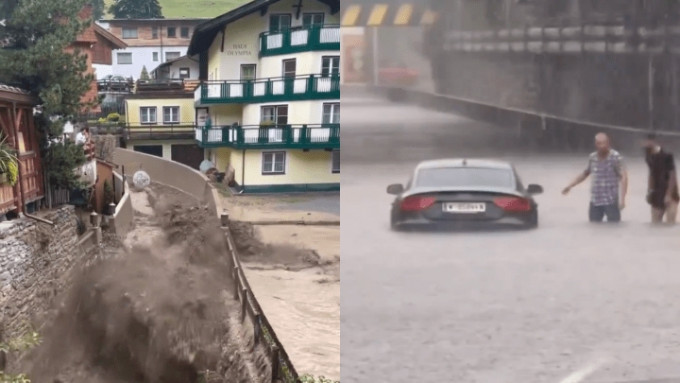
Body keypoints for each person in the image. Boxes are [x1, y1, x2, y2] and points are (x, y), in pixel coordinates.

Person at [562, 132, 628, 223]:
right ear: (595, 144)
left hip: (610, 201)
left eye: (604, 143)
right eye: (599, 143)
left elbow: (624, 178)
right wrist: (570, 186)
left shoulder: (615, 157)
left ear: (608, 143)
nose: (602, 146)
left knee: (614, 227)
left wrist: (623, 199)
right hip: (595, 200)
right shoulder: (592, 157)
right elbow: (585, 174)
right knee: (594, 226)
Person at [643, 132, 679, 224]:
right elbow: (651, 174)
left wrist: (668, 195)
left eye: (650, 142)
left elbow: (672, 176)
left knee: (670, 224)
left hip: (671, 194)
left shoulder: (667, 156)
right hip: (656, 193)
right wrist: (649, 191)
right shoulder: (648, 156)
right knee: (655, 225)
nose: (647, 144)